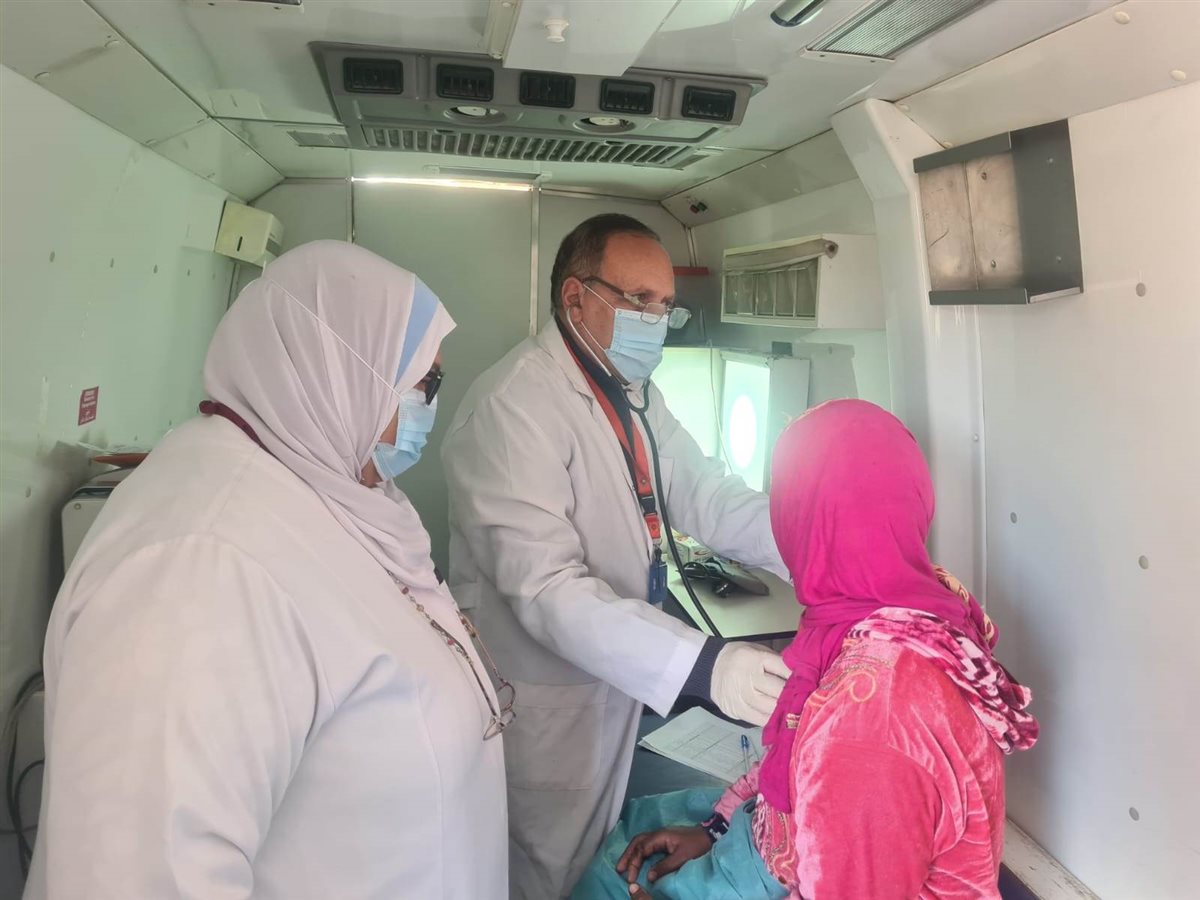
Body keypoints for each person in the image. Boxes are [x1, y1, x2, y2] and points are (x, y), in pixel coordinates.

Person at [25, 242, 509, 899]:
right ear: (337, 371)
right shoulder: (199, 566)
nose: (430, 408)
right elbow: (137, 875)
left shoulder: (329, 494)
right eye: (424, 385)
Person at [441, 214, 791, 900]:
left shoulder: (630, 392)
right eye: (638, 301)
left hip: (606, 688)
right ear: (575, 297)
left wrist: (817, 544)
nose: (654, 321)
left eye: (665, 306)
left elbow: (704, 493)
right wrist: (706, 666)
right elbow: (547, 589)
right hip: (540, 706)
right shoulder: (514, 407)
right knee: (544, 873)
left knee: (595, 866)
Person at [573, 399, 1039, 900]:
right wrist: (716, 827)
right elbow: (797, 775)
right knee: (628, 830)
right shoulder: (916, 612)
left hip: (790, 875)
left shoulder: (868, 719)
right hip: (774, 839)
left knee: (605, 874)